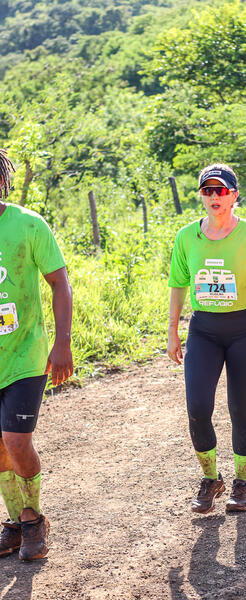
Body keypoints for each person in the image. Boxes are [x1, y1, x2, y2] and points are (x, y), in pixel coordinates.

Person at [167, 163, 246, 514]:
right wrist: (172, 331)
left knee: (239, 408)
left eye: (221, 190)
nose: (214, 196)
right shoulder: (186, 237)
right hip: (204, 330)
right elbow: (178, 285)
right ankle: (211, 479)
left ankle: (242, 484)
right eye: (207, 190)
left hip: (245, 329)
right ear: (201, 195)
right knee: (198, 408)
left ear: (234, 194)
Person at [0, 149, 73, 561]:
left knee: (16, 439)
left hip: (26, 355)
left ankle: (33, 518)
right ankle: (13, 524)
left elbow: (59, 284)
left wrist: (61, 342)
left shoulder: (28, 225)